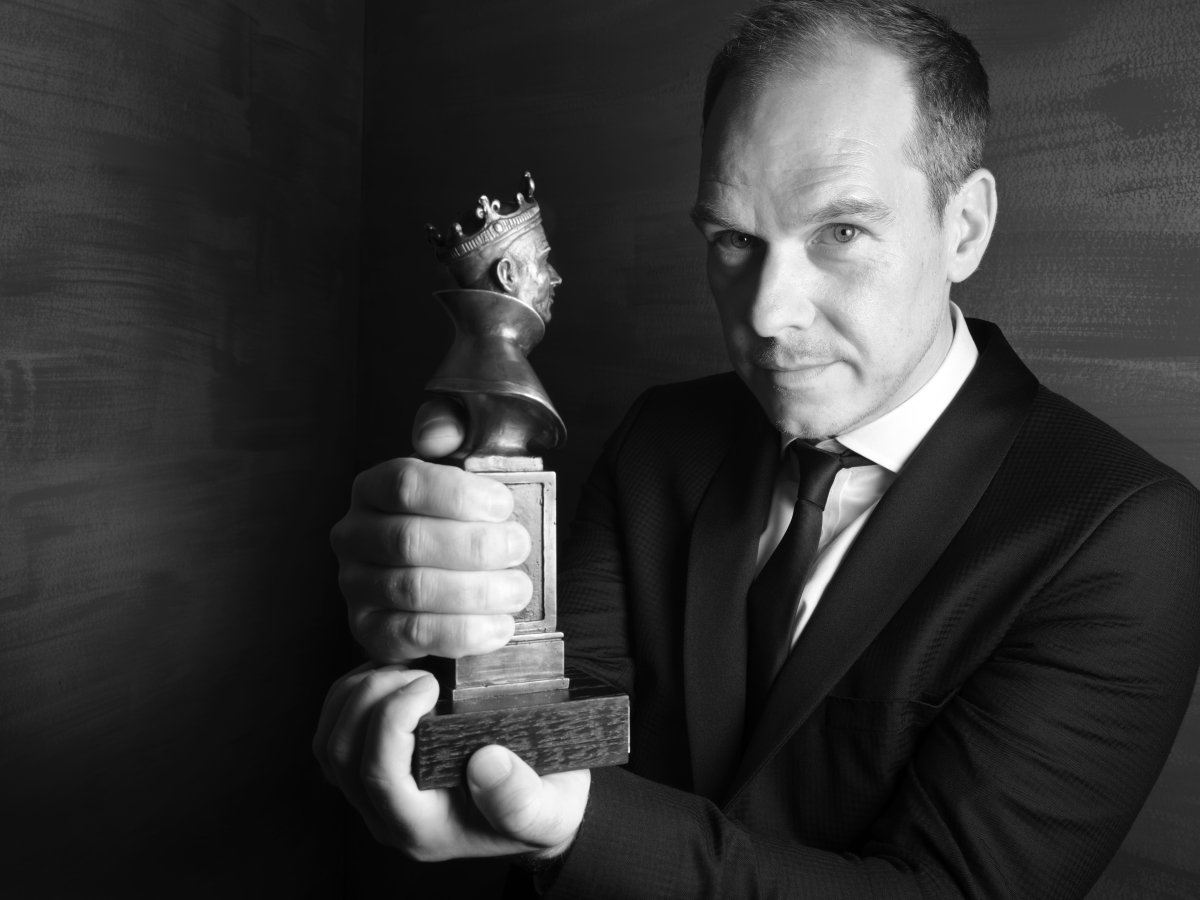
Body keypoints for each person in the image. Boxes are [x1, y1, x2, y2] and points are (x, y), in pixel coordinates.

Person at [313, 1, 1200, 896]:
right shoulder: (661, 439)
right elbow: (549, 713)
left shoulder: (1127, 535)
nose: (768, 317)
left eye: (841, 232)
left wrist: (570, 824)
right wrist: (441, 638)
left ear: (963, 226)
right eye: (735, 239)